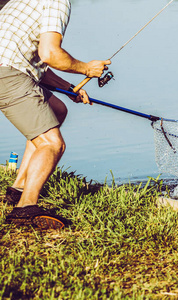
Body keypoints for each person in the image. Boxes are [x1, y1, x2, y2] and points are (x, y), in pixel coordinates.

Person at [0, 0, 110, 229]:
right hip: (7, 75)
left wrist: (69, 88)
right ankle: (25, 208)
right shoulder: (57, 0)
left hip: (9, 70)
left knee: (57, 110)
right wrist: (87, 69)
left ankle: (18, 188)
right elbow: (50, 53)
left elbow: (31, 61)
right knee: (52, 144)